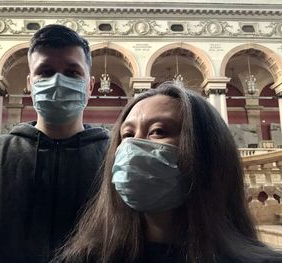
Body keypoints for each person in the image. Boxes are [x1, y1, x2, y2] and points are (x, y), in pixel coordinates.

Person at [0, 24, 109, 263]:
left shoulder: (113, 158)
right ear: (30, 83)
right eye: (45, 72)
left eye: (72, 72)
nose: (58, 81)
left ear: (90, 85)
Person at [51, 82, 282, 263]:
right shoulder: (82, 258)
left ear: (206, 149)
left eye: (158, 131)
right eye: (127, 135)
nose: (133, 147)